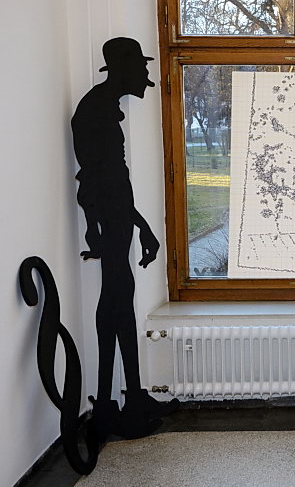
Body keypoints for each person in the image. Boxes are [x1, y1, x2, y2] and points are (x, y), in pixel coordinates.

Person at [71, 37, 177, 439]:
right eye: (142, 68)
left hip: (116, 218)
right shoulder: (95, 110)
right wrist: (96, 224)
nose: (147, 77)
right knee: (114, 300)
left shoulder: (103, 108)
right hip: (110, 219)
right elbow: (94, 180)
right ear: (123, 68)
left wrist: (140, 225)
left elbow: (114, 180)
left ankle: (130, 396)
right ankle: (112, 402)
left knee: (119, 298)